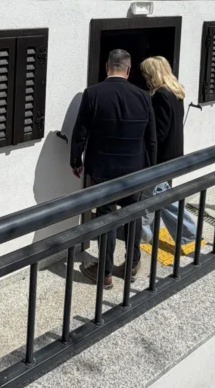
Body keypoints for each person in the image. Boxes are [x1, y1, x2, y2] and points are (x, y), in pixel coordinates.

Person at [70, 49, 157, 288]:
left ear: (107, 67)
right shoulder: (143, 96)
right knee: (133, 214)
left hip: (102, 168)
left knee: (106, 217)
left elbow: (80, 131)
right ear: (128, 70)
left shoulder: (93, 93)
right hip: (135, 169)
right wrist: (151, 169)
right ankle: (132, 265)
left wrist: (76, 161)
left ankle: (105, 273)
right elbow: (151, 139)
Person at [138, 56, 197, 246]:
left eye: (146, 73)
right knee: (153, 196)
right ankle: (145, 234)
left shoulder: (161, 95)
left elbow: (159, 132)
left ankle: (188, 232)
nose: (144, 77)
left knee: (155, 196)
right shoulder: (175, 91)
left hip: (161, 158)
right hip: (172, 154)